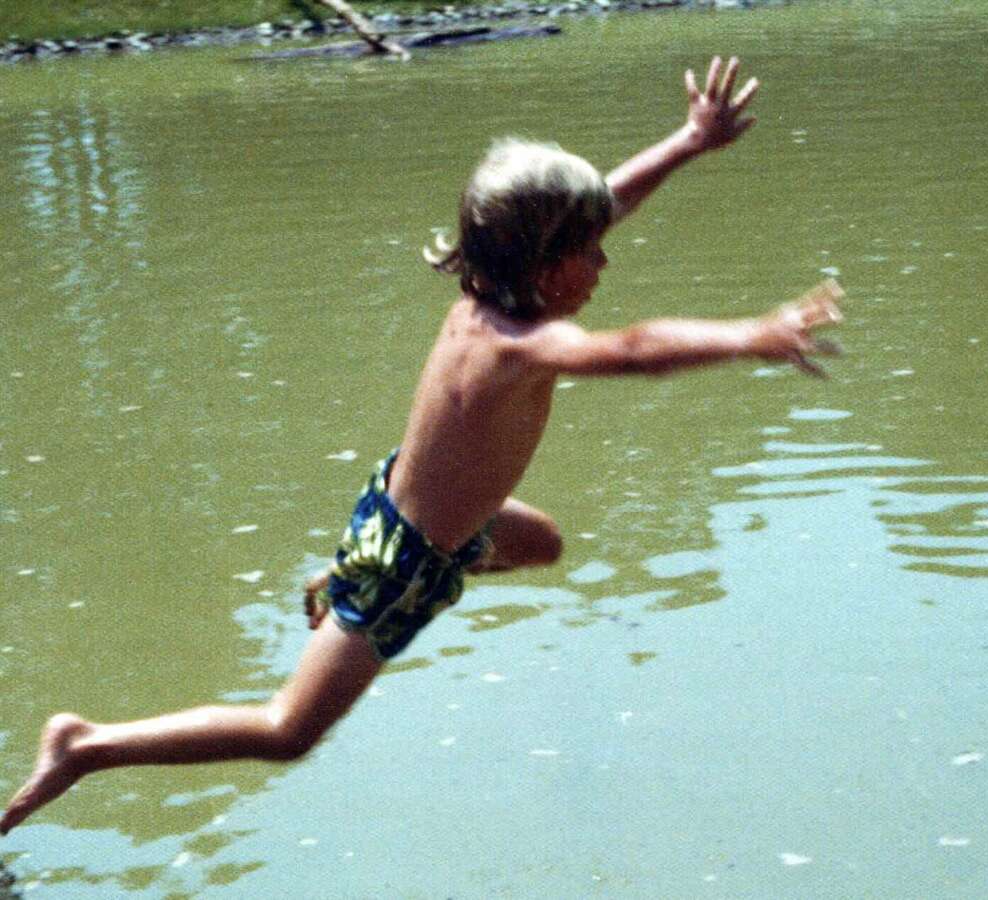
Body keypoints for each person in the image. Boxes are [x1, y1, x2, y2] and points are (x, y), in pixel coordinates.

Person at [0, 56, 842, 835]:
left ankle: (365, 565)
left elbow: (604, 199)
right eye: (591, 251)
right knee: (287, 730)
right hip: (401, 561)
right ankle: (85, 746)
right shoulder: (519, 345)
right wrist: (747, 335)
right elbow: (630, 351)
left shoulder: (487, 292)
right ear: (547, 269)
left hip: (413, 505)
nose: (605, 261)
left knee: (541, 544)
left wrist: (689, 143)